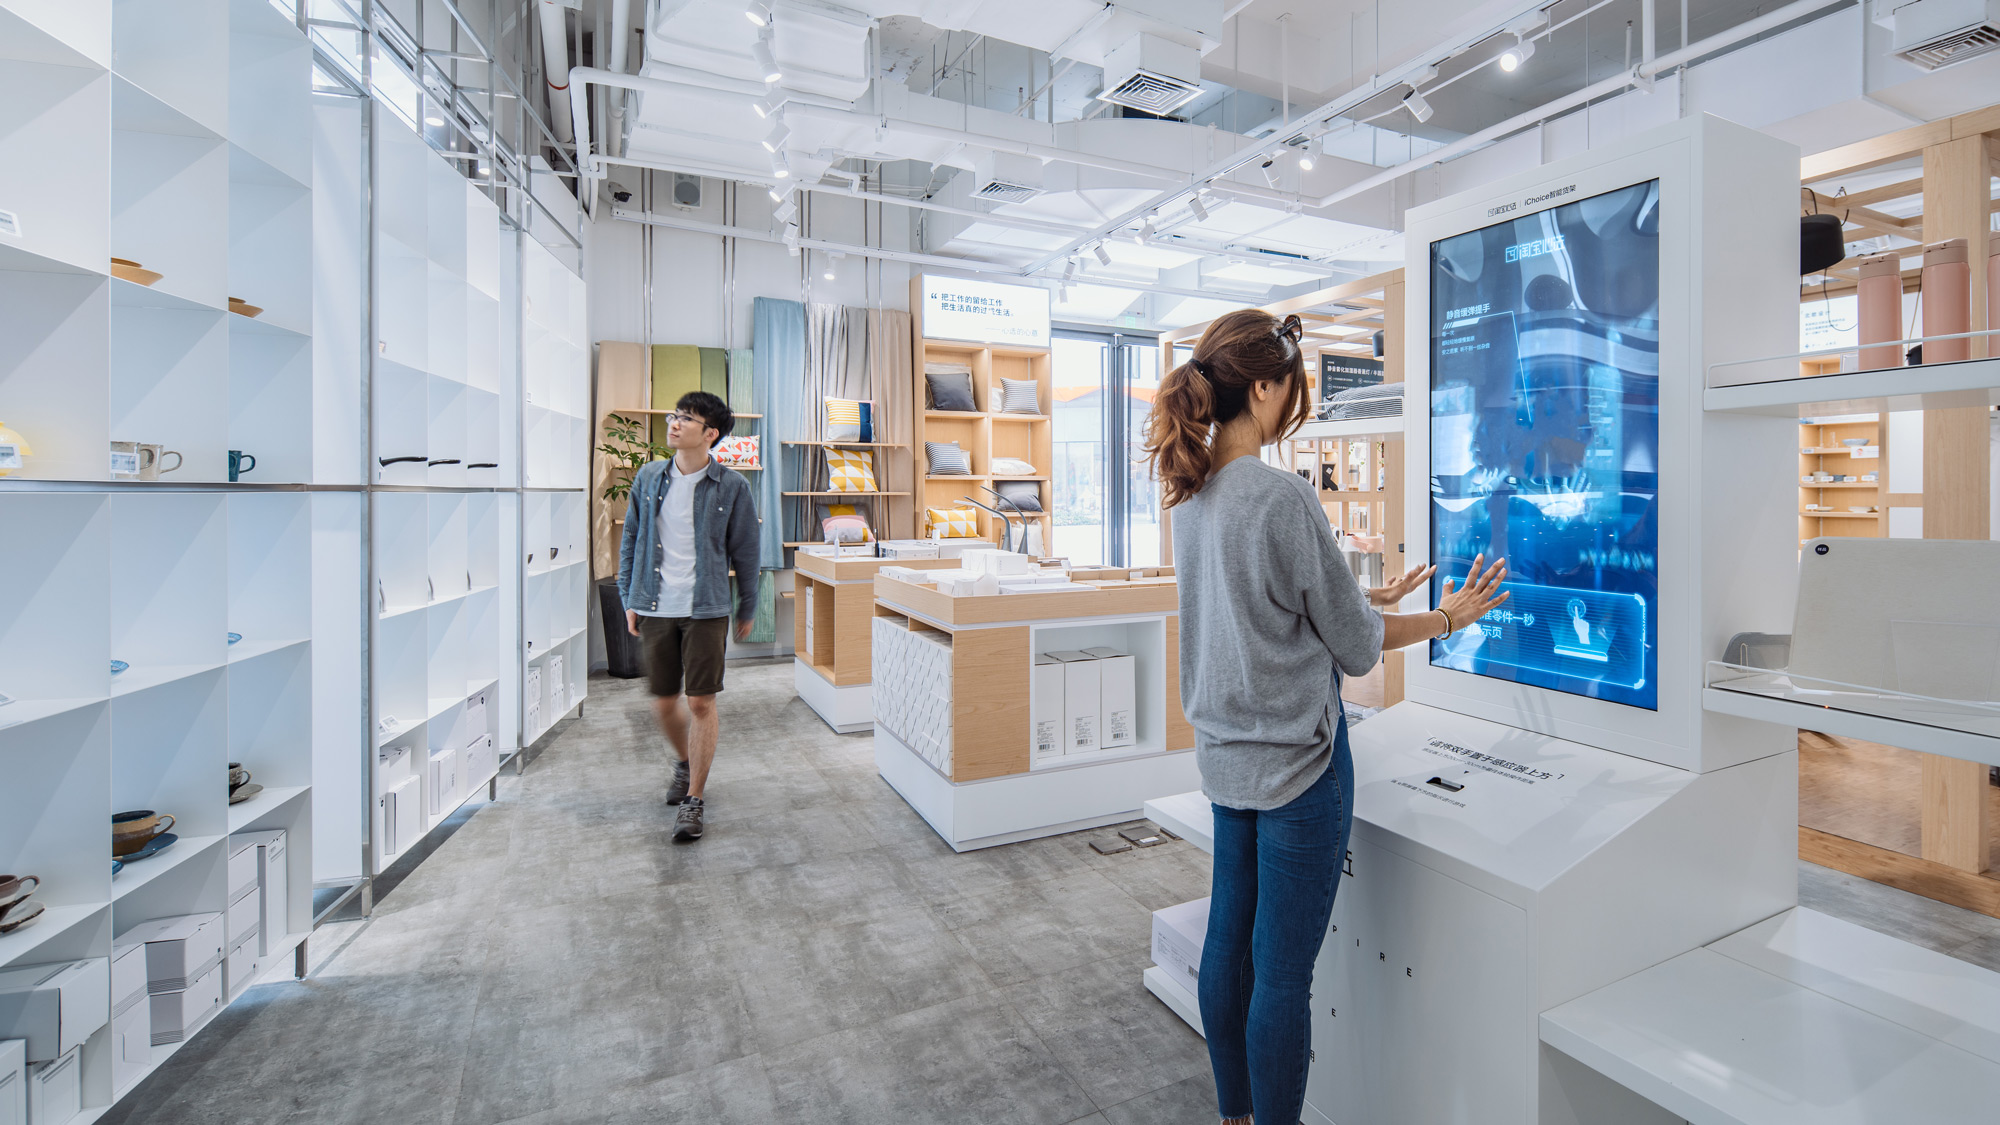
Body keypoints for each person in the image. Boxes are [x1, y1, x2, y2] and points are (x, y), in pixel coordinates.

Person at [1142, 310, 1508, 1125]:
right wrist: (1450, 617)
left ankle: (1235, 1114)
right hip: (1300, 772)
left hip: (1226, 763)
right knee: (1279, 976)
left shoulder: (1190, 501)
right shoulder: (1283, 496)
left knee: (1226, 947)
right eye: (1290, 392)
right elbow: (1357, 649)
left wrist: (1357, 591)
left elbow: (1260, 606)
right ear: (1265, 387)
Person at [616, 391, 761, 842]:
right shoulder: (648, 477)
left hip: (706, 608)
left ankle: (694, 800)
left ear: (710, 433)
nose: (674, 423)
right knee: (663, 701)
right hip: (656, 603)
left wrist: (749, 605)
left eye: (686, 418)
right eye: (675, 415)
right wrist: (628, 595)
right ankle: (684, 761)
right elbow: (633, 537)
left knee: (700, 701)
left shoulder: (733, 486)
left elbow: (747, 552)